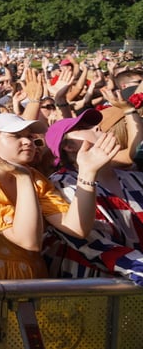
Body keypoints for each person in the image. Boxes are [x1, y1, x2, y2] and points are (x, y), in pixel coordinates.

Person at [0, 113, 115, 280]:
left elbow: (77, 228)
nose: (28, 141)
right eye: (16, 136)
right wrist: (23, 179)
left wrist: (87, 173)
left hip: (33, 279)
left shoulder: (35, 177)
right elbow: (29, 241)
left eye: (30, 136)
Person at [43, 110, 143, 284]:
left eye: (94, 124)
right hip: (92, 291)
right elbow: (97, 247)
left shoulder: (136, 178)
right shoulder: (60, 184)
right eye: (84, 127)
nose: (97, 127)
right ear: (69, 146)